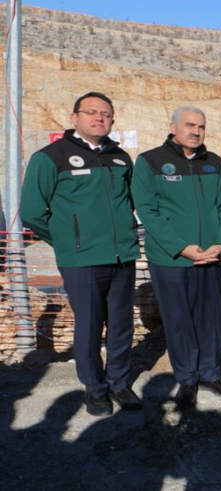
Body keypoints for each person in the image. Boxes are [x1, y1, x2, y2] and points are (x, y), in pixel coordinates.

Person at [20, 92, 141, 416]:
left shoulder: (120, 157)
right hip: (82, 260)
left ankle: (118, 383)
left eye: (106, 114)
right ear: (74, 117)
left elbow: (129, 203)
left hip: (121, 257)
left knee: (121, 326)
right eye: (91, 112)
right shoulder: (50, 157)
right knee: (88, 326)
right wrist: (68, 241)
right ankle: (95, 389)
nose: (99, 118)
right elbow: (32, 212)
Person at [131, 106, 221, 408]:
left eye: (201, 126)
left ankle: (210, 373)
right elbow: (147, 210)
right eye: (190, 125)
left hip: (209, 255)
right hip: (171, 258)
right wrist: (180, 247)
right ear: (173, 127)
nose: (196, 131)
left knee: (210, 317)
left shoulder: (213, 162)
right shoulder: (150, 162)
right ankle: (187, 378)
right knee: (178, 319)